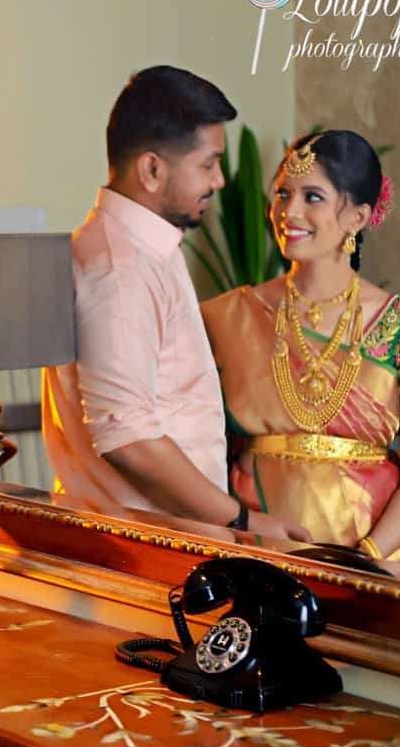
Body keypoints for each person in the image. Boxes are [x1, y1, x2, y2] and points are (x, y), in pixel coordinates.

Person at [41, 65, 309, 543]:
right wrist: (241, 520)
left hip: (160, 541)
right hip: (144, 551)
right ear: (151, 169)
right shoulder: (120, 269)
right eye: (208, 164)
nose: (221, 181)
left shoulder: (136, 249)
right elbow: (130, 439)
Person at [200, 131, 400, 567]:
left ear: (357, 216)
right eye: (282, 193)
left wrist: (367, 557)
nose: (289, 211)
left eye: (312, 196)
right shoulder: (226, 317)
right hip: (255, 545)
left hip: (375, 555)